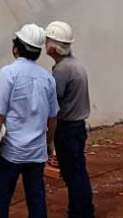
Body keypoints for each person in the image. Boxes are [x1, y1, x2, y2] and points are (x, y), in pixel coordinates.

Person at [0, 24, 59, 218]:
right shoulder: (48, 79)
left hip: (10, 151)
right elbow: (52, 117)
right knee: (36, 199)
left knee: (1, 198)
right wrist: (49, 143)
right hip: (36, 152)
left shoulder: (8, 74)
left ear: (16, 48)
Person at [45, 21, 95, 218]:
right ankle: (84, 210)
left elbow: (54, 102)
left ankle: (78, 212)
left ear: (54, 46)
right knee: (78, 171)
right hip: (78, 126)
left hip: (67, 128)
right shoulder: (76, 65)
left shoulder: (62, 71)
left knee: (73, 174)